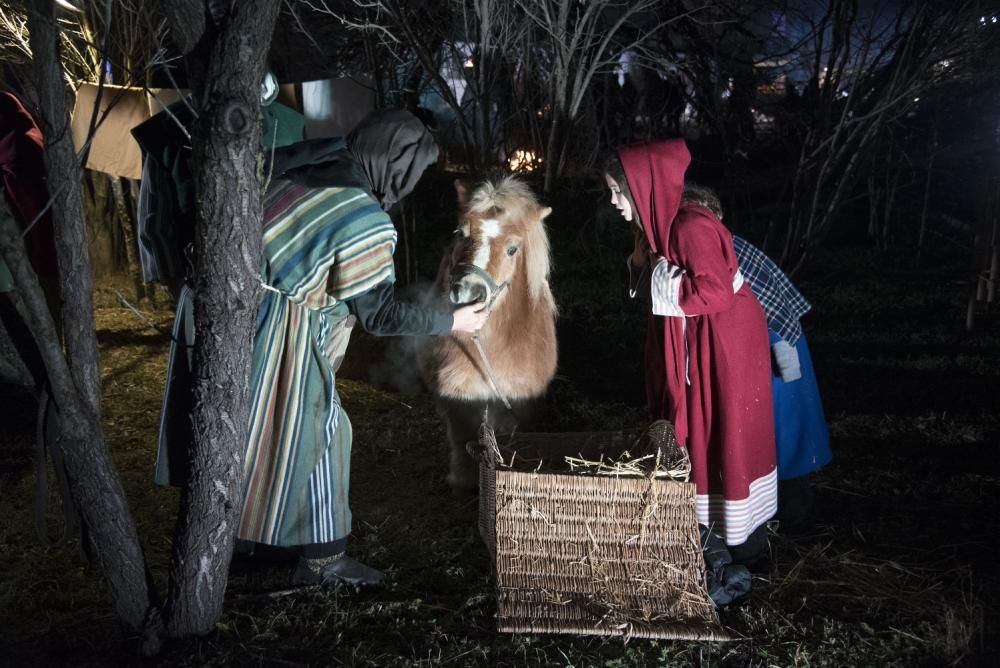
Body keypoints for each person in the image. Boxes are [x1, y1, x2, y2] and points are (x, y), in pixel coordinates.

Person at [156, 109, 489, 589]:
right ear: (398, 165)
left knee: (239, 435)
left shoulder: (301, 165)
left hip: (218, 310)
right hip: (274, 330)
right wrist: (452, 319)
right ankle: (323, 561)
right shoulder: (361, 215)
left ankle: (239, 545)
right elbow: (380, 314)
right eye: (414, 174)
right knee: (322, 436)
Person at [603, 138, 777, 564]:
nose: (612, 201)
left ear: (642, 187)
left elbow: (714, 289)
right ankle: (713, 535)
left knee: (718, 428)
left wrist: (662, 278)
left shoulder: (688, 225)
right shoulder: (662, 226)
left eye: (617, 191)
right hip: (704, 341)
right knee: (702, 430)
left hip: (720, 348)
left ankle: (740, 546)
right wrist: (647, 265)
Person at [678, 185, 831, 527]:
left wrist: (783, 360)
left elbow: (770, 307)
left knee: (785, 437)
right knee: (773, 438)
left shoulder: (727, 251)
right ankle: (778, 513)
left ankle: (793, 518)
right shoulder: (723, 248)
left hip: (776, 350)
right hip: (764, 349)